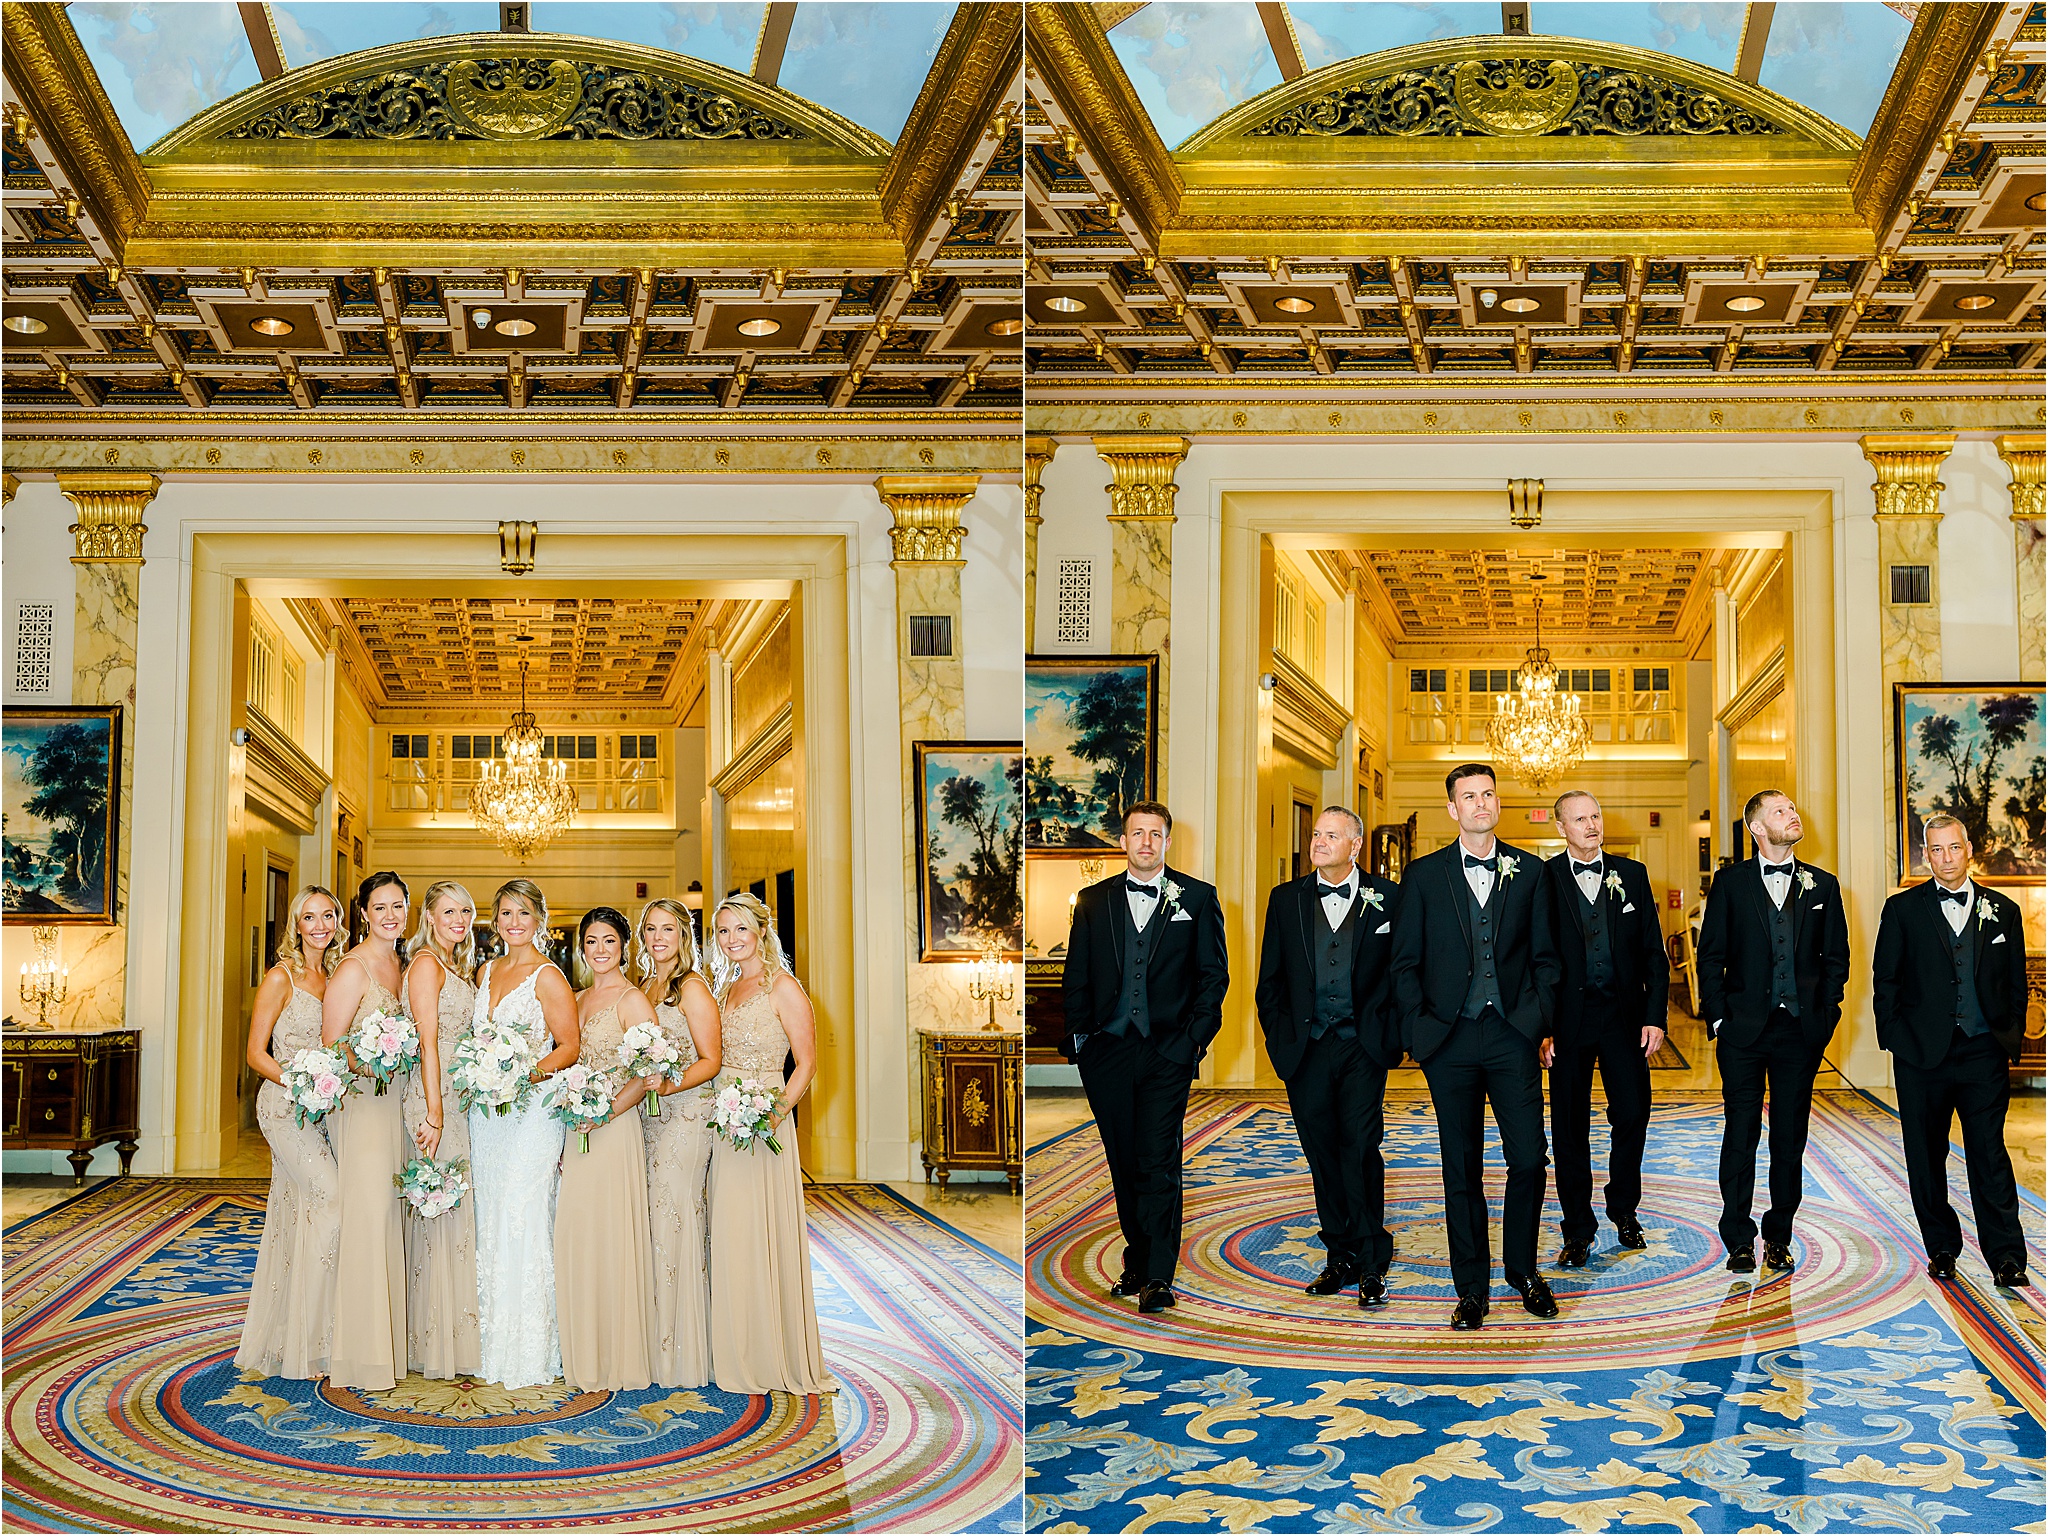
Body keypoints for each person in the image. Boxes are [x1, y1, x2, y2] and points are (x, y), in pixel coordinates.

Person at [1389, 763, 1561, 1331]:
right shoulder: (1422, 876)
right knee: (1458, 1167)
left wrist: (1533, 1023)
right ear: (1452, 809)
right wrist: (1420, 1032)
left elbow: (1545, 959)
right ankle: (1470, 1288)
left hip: (1512, 1036)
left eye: (1488, 794)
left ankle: (1523, 1271)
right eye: (1469, 796)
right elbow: (1405, 963)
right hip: (1448, 1039)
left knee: (1529, 1159)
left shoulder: (1531, 872)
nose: (1481, 803)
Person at [1060, 801, 1229, 1316]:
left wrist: (1191, 1043)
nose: (1147, 843)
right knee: (1123, 1159)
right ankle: (1136, 1256)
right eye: (1138, 833)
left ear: (1168, 841)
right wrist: (1081, 1041)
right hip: (1107, 1051)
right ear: (1123, 840)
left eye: (1156, 834)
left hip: (1167, 1053)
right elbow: (1077, 976)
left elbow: (1213, 979)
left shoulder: (1198, 899)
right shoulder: (1092, 901)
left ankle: (1158, 1275)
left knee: (1158, 1160)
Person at [1253, 805, 1402, 1308]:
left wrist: (1392, 1035)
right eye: (1316, 834)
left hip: (1364, 1045)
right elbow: (1269, 981)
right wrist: (1280, 1040)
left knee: (1359, 1147)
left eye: (1331, 835)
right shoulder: (1285, 900)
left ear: (1355, 845)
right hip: (1307, 1047)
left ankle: (1370, 1256)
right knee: (1321, 1152)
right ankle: (1338, 1253)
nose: (1318, 842)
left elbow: (1403, 973)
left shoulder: (1389, 900)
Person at [1696, 789, 1850, 1274]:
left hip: (1799, 1033)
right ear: (1757, 828)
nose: (1793, 815)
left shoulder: (1823, 886)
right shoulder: (1730, 883)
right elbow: (1711, 955)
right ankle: (1738, 1236)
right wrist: (1719, 1018)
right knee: (1740, 1133)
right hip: (1742, 1031)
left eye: (1793, 809)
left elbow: (1836, 960)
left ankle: (1778, 1234)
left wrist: (1824, 1019)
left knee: (1790, 1137)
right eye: (1781, 811)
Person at [1873, 813, 2029, 1287]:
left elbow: (2016, 982)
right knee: (1925, 1155)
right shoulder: (1902, 910)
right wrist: (1898, 1040)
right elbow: (1886, 982)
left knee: (1989, 1152)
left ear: (1969, 849)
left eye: (1953, 848)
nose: (1945, 858)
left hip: (1983, 1052)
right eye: (1935, 850)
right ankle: (1941, 1248)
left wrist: (2009, 1034)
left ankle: (2006, 1256)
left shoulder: (2004, 911)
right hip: (1922, 1057)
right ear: (1926, 856)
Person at [705, 892, 834, 1395]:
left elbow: (806, 1063)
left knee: (756, 1230)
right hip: (721, 1118)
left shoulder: (784, 988)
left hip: (762, 1124)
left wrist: (774, 1115)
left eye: (740, 928)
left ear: (761, 931)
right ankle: (732, 1344)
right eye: (722, 931)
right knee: (729, 1230)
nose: (732, 939)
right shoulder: (723, 986)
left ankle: (765, 1350)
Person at [1541, 791, 1669, 1267]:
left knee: (1633, 1113)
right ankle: (1577, 1227)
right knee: (1569, 1126)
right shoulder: (1545, 879)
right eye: (1579, 819)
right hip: (1567, 1024)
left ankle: (1623, 1208)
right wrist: (1542, 1027)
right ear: (1561, 828)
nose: (1591, 825)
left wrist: (1655, 1015)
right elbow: (1537, 960)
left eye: (1595, 815)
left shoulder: (1631, 875)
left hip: (1624, 1019)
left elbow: (1654, 953)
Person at [469, 879, 581, 1389]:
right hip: (485, 1115)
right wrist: (485, 1077)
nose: (514, 922)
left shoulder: (549, 976)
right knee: (490, 1212)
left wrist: (521, 1076)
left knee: (523, 1213)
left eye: (524, 913)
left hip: (532, 1112)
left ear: (540, 918)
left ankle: (530, 1347)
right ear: (496, 919)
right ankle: (488, 1338)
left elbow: (568, 1047)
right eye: (506, 912)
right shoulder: (485, 970)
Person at [235, 885, 346, 1381]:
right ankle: (311, 1335)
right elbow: (256, 1053)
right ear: (296, 925)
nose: (319, 926)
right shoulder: (281, 978)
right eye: (309, 917)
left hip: (326, 1110)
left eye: (327, 916)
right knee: (331, 1198)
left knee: (298, 1211)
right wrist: (301, 1081)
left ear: (339, 922)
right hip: (283, 1106)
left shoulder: (340, 976)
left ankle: (300, 1335)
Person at [555, 907, 660, 1392]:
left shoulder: (633, 1001)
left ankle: (615, 1352)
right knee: (577, 1232)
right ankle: (581, 1347)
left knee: (611, 1233)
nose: (600, 950)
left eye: (609, 941)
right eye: (591, 941)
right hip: (575, 1130)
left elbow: (647, 1075)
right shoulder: (574, 1000)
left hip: (613, 1130)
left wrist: (604, 1112)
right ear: (582, 948)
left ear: (624, 947)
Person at [320, 871, 413, 1391]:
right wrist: (371, 1064)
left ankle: (394, 1341)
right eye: (380, 907)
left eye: (398, 905)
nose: (390, 915)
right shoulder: (353, 968)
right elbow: (331, 1043)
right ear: (363, 914)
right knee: (369, 1216)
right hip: (364, 1102)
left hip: (397, 1102)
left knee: (392, 1215)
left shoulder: (403, 961)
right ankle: (361, 1351)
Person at [637, 897, 724, 1388]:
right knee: (653, 1219)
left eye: (667, 929)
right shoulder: (645, 985)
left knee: (674, 1215)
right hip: (649, 1117)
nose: (657, 938)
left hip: (688, 1113)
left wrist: (672, 1085)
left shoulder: (691, 987)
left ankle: (682, 1351)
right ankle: (654, 1338)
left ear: (683, 936)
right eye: (650, 929)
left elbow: (711, 1058)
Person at [399, 880, 481, 1380]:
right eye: (448, 911)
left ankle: (451, 1332)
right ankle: (434, 1341)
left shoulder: (456, 965)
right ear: (429, 917)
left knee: (454, 1210)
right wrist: (434, 1112)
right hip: (436, 1098)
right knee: (442, 1209)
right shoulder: (427, 964)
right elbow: (428, 1041)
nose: (459, 919)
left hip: (457, 1094)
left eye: (466, 911)